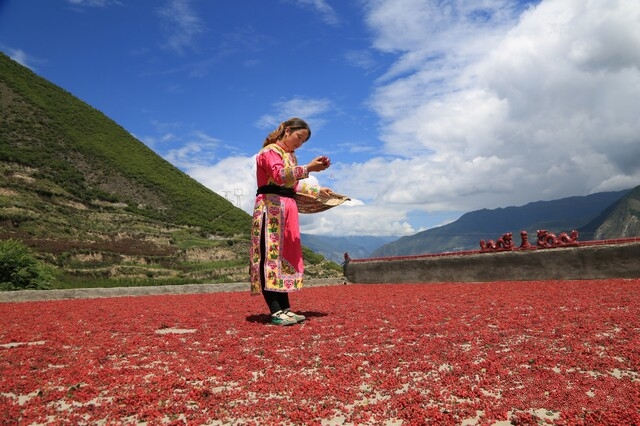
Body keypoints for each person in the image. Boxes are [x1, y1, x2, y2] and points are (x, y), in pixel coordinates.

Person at [249, 117, 332, 326]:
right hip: (271, 209)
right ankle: (276, 310)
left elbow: (292, 186)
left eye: (303, 141)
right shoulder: (269, 152)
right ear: (287, 130)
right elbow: (279, 176)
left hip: (286, 210)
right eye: (299, 137)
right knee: (271, 256)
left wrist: (317, 190)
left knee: (283, 258)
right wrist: (309, 169)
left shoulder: (290, 157)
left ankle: (285, 308)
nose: (300, 143)